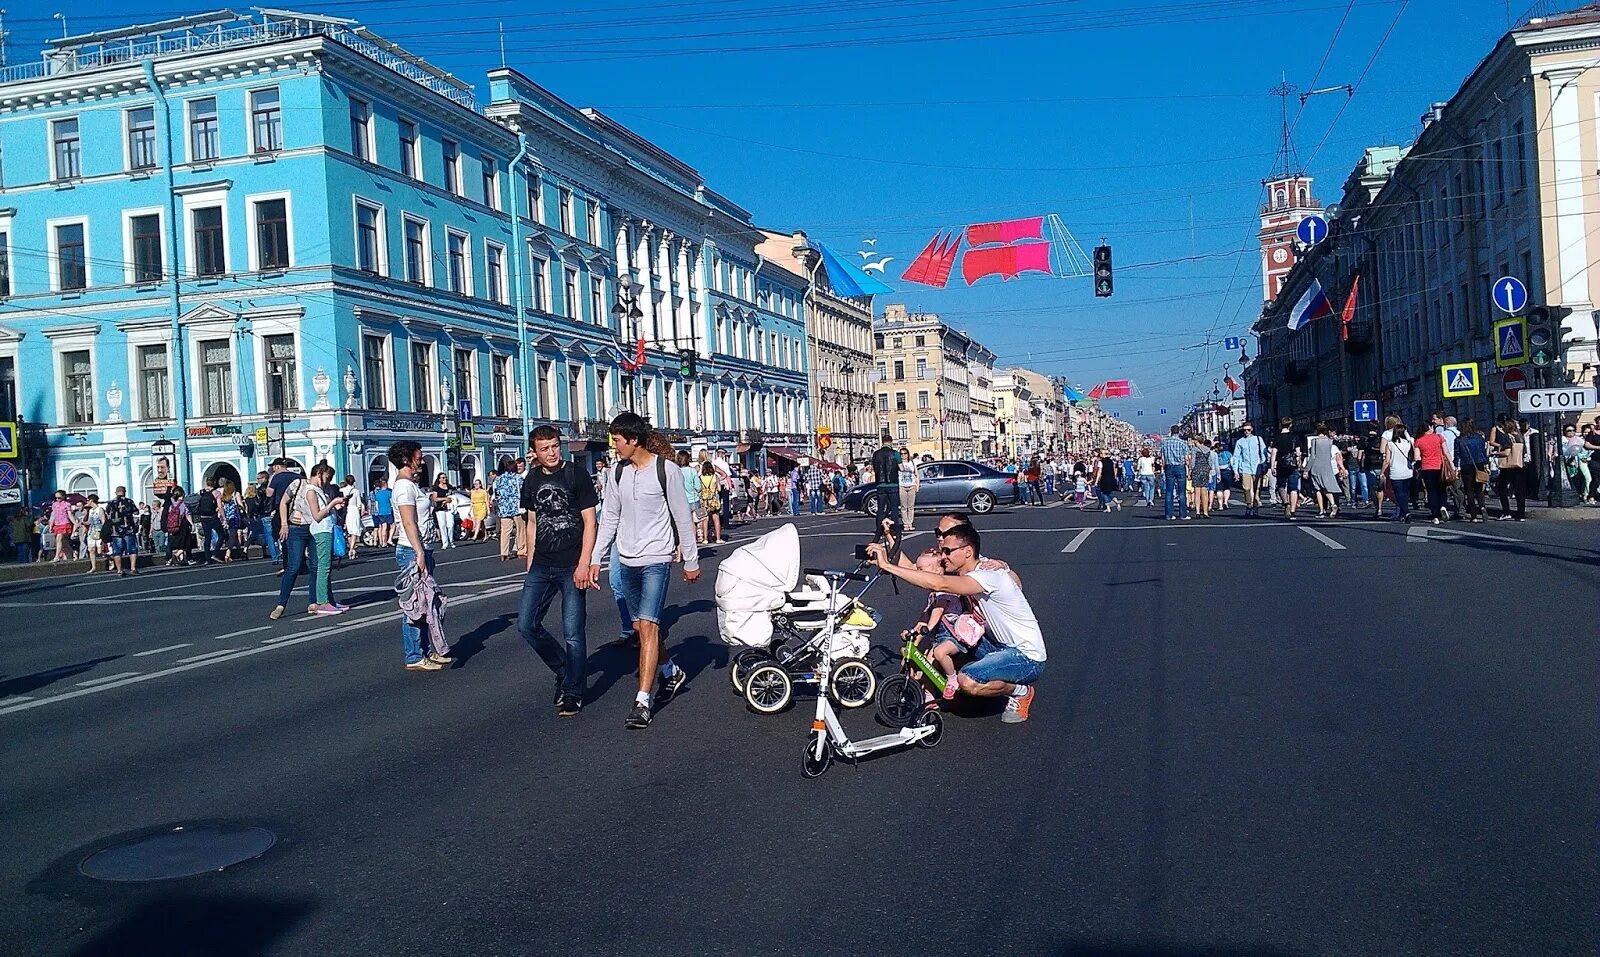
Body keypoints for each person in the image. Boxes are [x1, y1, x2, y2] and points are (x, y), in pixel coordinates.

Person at [587, 412, 701, 730]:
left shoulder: (667, 471)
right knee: (640, 628)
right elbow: (609, 517)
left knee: (648, 628)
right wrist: (597, 558)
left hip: (656, 559)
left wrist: (690, 560)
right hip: (627, 561)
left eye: (617, 441)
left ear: (633, 440)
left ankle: (642, 701)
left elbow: (682, 517)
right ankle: (670, 671)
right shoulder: (616, 474)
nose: (614, 447)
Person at [866, 522, 1044, 724]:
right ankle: (965, 686)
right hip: (997, 645)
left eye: (948, 551)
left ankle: (1021, 691)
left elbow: (938, 583)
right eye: (942, 551)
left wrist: (887, 566)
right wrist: (891, 539)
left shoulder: (988, 575)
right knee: (940, 646)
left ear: (968, 552)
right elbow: (919, 570)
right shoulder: (965, 572)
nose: (943, 556)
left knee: (967, 681)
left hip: (1026, 656)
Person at [517, 425, 599, 717]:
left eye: (554, 446)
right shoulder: (532, 478)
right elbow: (532, 520)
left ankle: (573, 691)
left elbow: (590, 522)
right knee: (526, 625)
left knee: (573, 632)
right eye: (544, 449)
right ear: (535, 452)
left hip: (571, 566)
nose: (551, 453)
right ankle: (562, 668)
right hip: (541, 564)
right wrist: (529, 557)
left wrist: (585, 563)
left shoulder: (575, 475)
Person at [389, 440, 452, 671]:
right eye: (419, 455)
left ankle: (426, 650)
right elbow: (408, 521)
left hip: (420, 548)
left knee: (426, 603)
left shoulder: (411, 485)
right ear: (406, 458)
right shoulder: (404, 486)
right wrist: (418, 552)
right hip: (411, 550)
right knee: (414, 605)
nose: (422, 459)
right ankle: (414, 655)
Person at [900, 549, 986, 702]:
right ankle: (930, 694)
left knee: (939, 653)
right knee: (927, 662)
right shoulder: (933, 594)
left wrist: (925, 631)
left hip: (955, 635)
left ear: (938, 571)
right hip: (942, 636)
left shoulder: (944, 594)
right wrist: (913, 634)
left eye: (921, 569)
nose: (918, 572)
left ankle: (952, 679)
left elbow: (935, 616)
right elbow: (925, 616)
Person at [303, 463, 348, 615]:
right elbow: (316, 515)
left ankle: (330, 600)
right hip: (321, 530)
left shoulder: (318, 490)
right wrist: (332, 504)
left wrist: (336, 505)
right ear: (320, 473)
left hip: (328, 528)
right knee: (324, 567)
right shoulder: (310, 491)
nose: (327, 481)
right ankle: (322, 601)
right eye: (327, 478)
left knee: (327, 566)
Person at [1488, 418, 1526, 521]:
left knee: (1502, 488)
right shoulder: (1519, 436)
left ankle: (1506, 511)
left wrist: (1494, 453)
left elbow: (1507, 452)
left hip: (1508, 467)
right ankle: (1521, 514)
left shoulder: (1506, 437)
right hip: (1519, 465)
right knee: (1519, 491)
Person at [1455, 418, 1490, 523]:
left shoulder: (1459, 440)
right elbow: (1483, 452)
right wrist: (1486, 465)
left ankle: (1473, 515)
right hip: (1479, 464)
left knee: (1469, 490)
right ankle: (1482, 507)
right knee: (1479, 489)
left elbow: (1457, 455)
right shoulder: (1479, 438)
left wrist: (1457, 467)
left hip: (1466, 465)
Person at [1412, 423, 1448, 525]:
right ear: (1430, 428)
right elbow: (1446, 452)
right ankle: (1443, 506)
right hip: (1439, 466)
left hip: (1426, 468)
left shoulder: (1418, 440)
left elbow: (1417, 457)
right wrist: (1452, 465)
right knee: (1441, 489)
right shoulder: (1439, 437)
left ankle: (1435, 515)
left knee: (1431, 491)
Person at [1307, 423, 1343, 519]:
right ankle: (1333, 504)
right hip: (1327, 466)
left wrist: (1307, 469)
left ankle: (1321, 510)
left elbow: (1313, 456)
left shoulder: (1315, 441)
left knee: (1318, 489)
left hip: (1316, 466)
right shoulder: (1329, 441)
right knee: (1326, 487)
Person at [1382, 422, 1416, 522]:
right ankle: (1403, 513)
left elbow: (1387, 460)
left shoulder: (1390, 444)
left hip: (1395, 472)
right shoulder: (1409, 443)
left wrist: (1382, 472)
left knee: (1398, 493)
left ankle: (1406, 512)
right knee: (1405, 493)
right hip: (1408, 471)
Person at [105, 486, 140, 577]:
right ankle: (133, 568)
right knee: (132, 549)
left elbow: (107, 515)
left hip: (115, 530)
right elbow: (136, 512)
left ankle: (119, 570)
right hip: (128, 529)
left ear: (116, 492)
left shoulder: (111, 503)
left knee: (117, 551)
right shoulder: (129, 501)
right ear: (125, 492)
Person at [492, 457, 522, 559]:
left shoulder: (498, 479)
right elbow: (523, 491)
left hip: (504, 508)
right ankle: (520, 550)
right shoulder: (518, 478)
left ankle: (503, 553)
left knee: (505, 531)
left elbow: (496, 493)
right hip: (517, 507)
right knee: (520, 529)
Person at [1158, 426, 1191, 521]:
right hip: (1180, 467)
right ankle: (1183, 515)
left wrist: (1163, 468)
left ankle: (1169, 515)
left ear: (1171, 432)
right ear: (1179, 432)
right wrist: (1188, 469)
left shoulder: (1165, 442)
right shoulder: (1182, 443)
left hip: (1169, 467)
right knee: (1181, 492)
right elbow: (1186, 458)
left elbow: (1162, 458)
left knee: (1169, 492)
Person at [871, 436, 901, 527]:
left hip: (880, 484)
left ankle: (879, 529)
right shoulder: (895, 453)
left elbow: (874, 468)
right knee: (894, 508)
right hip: (893, 484)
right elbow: (901, 468)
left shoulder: (876, 454)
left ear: (882, 442)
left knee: (880, 508)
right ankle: (895, 527)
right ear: (891, 442)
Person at [698, 461, 723, 545]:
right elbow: (719, 489)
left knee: (705, 519)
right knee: (716, 519)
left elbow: (698, 489)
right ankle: (718, 538)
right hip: (713, 500)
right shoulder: (715, 477)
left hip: (704, 500)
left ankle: (705, 539)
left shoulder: (700, 477)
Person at [1189, 438, 1215, 519]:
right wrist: (1208, 469)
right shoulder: (1207, 449)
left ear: (1196, 441)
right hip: (1205, 471)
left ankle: (1197, 512)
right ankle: (1205, 512)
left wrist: (1190, 471)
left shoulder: (1194, 449)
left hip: (1197, 470)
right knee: (1205, 492)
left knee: (1197, 492)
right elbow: (1210, 462)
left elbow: (1192, 462)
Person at [430, 472, 457, 548]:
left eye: (445, 477)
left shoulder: (449, 487)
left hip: (449, 508)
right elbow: (435, 498)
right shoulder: (436, 488)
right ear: (439, 479)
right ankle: (445, 543)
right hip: (440, 509)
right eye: (443, 478)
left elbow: (453, 496)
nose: (445, 479)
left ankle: (451, 541)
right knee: (442, 525)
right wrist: (444, 499)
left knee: (450, 525)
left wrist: (449, 500)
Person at [1092, 448, 1122, 513]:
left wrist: (1096, 481)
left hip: (1104, 478)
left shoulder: (1101, 462)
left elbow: (1099, 472)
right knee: (1108, 492)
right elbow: (1114, 469)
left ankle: (1109, 507)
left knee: (1103, 493)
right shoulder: (1111, 461)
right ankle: (1115, 502)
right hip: (1111, 478)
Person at [896, 447, 920, 530]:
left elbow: (916, 474)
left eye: (905, 453)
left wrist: (917, 485)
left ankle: (910, 523)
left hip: (911, 485)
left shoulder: (912, 462)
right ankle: (905, 524)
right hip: (902, 485)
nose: (903, 455)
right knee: (903, 506)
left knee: (911, 506)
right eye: (901, 454)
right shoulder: (898, 463)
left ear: (908, 454)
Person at [47, 490, 73, 564]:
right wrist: (51, 525)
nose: (57, 499)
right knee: (60, 541)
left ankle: (57, 556)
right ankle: (67, 554)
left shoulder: (67, 504)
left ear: (63, 497)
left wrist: (75, 523)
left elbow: (70, 515)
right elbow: (53, 516)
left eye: (59, 498)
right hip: (57, 524)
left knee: (59, 539)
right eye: (56, 498)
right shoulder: (54, 504)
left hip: (64, 523)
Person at [371, 475, 394, 549]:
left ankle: (383, 542)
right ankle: (389, 539)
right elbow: (392, 502)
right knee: (392, 525)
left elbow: (376, 503)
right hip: (388, 511)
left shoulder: (377, 494)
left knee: (384, 527)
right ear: (386, 484)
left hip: (380, 512)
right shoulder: (389, 492)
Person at [1215, 442, 1235, 511]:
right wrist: (1234, 471)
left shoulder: (1215, 454)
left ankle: (1220, 505)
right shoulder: (1228, 454)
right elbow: (1232, 463)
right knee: (1227, 488)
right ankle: (1225, 502)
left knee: (1219, 489)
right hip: (1227, 471)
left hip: (1218, 471)